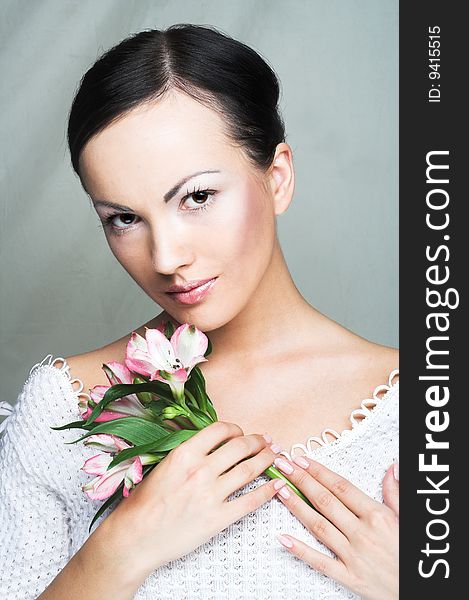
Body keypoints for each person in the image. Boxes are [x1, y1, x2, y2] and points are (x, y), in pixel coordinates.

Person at [0, 24, 399, 600]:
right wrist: (119, 549)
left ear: (277, 177)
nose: (166, 257)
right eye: (123, 218)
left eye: (197, 197)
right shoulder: (63, 407)